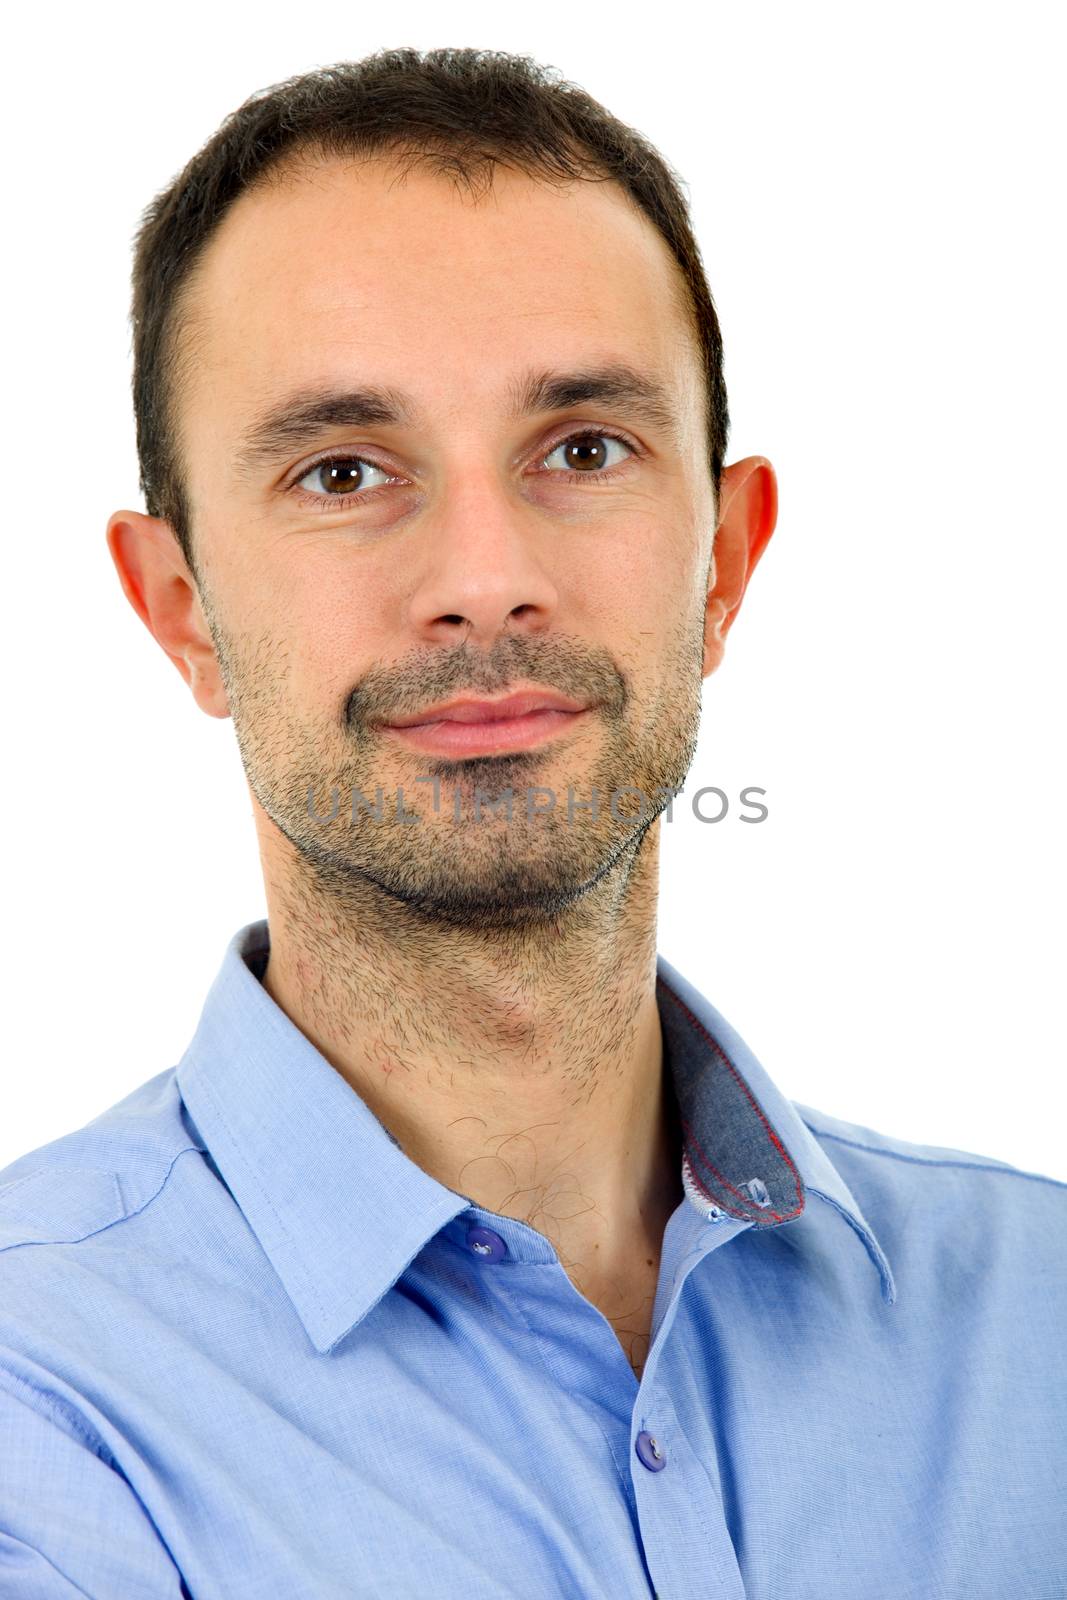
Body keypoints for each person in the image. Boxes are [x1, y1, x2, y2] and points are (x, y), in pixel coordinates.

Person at [1, 45, 1063, 1600]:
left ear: (724, 563)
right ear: (183, 613)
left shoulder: (1039, 1323)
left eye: (582, 449)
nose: (485, 575)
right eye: (344, 469)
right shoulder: (41, 1393)